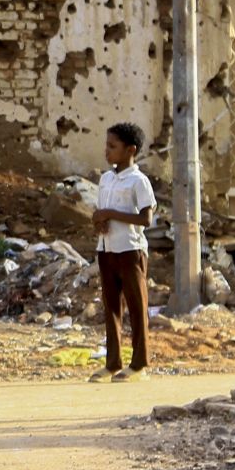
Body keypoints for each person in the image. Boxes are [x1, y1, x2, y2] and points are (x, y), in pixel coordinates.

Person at [90, 121, 157, 382]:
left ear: (130, 150)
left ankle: (139, 364)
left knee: (136, 308)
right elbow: (101, 211)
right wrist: (100, 220)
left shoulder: (138, 181)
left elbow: (145, 219)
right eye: (106, 145)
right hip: (106, 249)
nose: (107, 151)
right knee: (111, 307)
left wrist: (110, 214)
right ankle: (113, 362)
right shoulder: (106, 179)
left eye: (112, 146)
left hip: (130, 250)